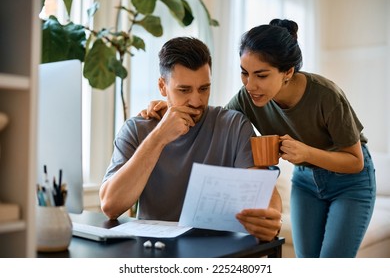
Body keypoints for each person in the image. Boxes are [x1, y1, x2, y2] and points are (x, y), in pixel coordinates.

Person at [140, 19, 376, 258]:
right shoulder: (248, 97)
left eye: (261, 75)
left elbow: (355, 161)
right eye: (244, 73)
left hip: (350, 183)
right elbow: (215, 121)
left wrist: (306, 154)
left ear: (288, 72)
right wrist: (169, 106)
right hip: (305, 180)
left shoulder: (326, 96)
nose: (250, 85)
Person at [99, 36, 282, 242]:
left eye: (204, 89)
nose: (196, 101)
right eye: (184, 90)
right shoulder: (136, 129)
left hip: (220, 251)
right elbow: (111, 207)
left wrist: (271, 218)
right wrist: (159, 137)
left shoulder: (234, 125)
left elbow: (262, 190)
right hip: (154, 251)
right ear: (162, 86)